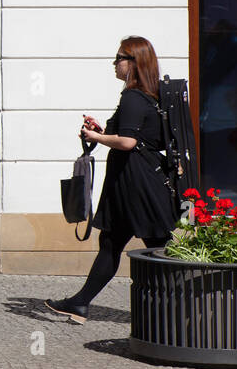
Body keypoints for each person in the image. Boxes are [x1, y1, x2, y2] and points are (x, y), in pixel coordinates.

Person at [45, 36, 179, 324]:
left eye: (119, 58)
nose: (114, 64)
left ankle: (181, 309)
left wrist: (96, 137)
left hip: (135, 183)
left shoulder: (132, 96)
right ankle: (80, 303)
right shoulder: (148, 96)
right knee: (115, 242)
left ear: (134, 62)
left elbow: (129, 142)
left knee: (158, 245)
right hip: (138, 180)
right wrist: (103, 130)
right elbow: (134, 135)